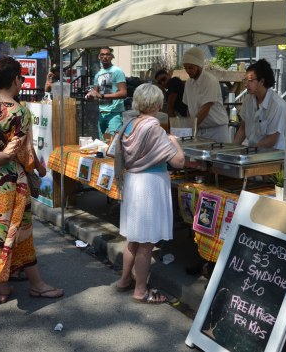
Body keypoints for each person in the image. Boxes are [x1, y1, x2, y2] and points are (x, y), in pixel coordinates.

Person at [0, 56, 63, 304]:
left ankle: (2, 289)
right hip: (10, 182)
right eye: (21, 79)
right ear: (15, 79)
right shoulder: (20, 112)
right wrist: (39, 169)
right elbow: (21, 153)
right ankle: (37, 285)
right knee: (21, 232)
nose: (22, 83)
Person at [115, 83, 185, 304]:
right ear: (156, 104)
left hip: (133, 182)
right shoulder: (154, 128)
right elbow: (178, 161)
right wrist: (175, 142)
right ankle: (141, 291)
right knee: (146, 244)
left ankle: (124, 280)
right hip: (150, 186)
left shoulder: (129, 123)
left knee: (133, 240)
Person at [233, 59, 286, 150]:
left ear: (261, 81)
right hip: (253, 152)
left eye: (250, 80)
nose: (246, 84)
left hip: (272, 156)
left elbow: (271, 139)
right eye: (245, 80)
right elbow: (243, 127)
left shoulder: (277, 105)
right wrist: (232, 149)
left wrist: (250, 150)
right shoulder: (247, 100)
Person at [181, 47, 229, 142]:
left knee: (216, 157)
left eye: (191, 68)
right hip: (199, 130)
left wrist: (190, 129)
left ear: (199, 66)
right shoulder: (188, 83)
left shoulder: (210, 81)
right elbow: (189, 109)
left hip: (216, 131)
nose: (188, 71)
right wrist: (189, 127)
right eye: (186, 68)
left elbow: (205, 109)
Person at [85, 47, 127, 140]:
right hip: (102, 113)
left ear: (112, 56)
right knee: (102, 144)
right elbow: (96, 94)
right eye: (102, 54)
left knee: (114, 145)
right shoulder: (98, 75)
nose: (105, 57)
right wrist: (90, 97)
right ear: (99, 57)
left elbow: (123, 93)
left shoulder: (117, 71)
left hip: (114, 113)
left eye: (107, 54)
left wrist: (102, 96)